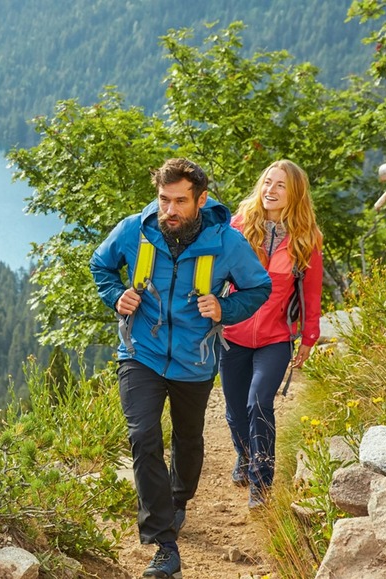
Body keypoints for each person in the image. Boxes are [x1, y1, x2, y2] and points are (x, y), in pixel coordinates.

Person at [90, 158, 271, 579]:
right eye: (163, 199)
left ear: (200, 200)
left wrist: (225, 307)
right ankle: (163, 544)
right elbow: (100, 265)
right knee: (144, 437)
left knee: (188, 439)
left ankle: (179, 500)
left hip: (195, 359)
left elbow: (259, 286)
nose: (169, 211)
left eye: (179, 202)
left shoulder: (226, 241)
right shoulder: (135, 229)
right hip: (141, 353)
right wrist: (116, 294)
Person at [219, 159, 323, 509]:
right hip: (232, 334)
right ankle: (245, 456)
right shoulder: (236, 228)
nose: (271, 190)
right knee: (234, 411)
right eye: (267, 182)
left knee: (259, 403)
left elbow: (311, 293)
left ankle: (261, 486)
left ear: (294, 193)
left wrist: (309, 338)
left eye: (280, 185)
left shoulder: (307, 239)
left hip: (276, 338)